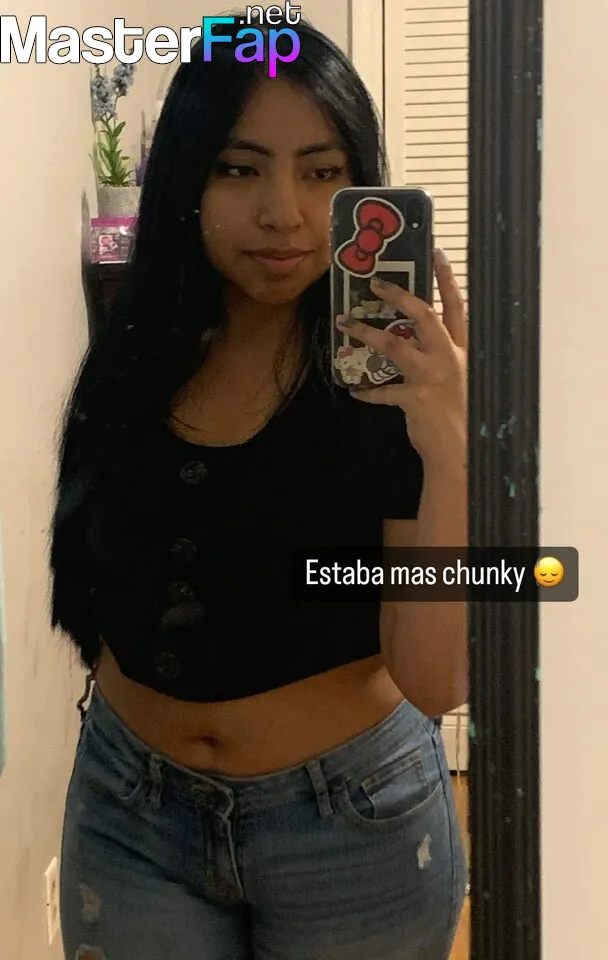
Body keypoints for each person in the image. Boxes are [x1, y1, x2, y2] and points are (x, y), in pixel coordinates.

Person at [51, 14, 468, 960]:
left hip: (348, 826)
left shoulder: (391, 379)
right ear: (186, 179)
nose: (282, 211)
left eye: (322, 173)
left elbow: (436, 680)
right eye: (239, 168)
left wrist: (450, 449)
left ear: (363, 189)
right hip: (129, 810)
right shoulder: (137, 350)